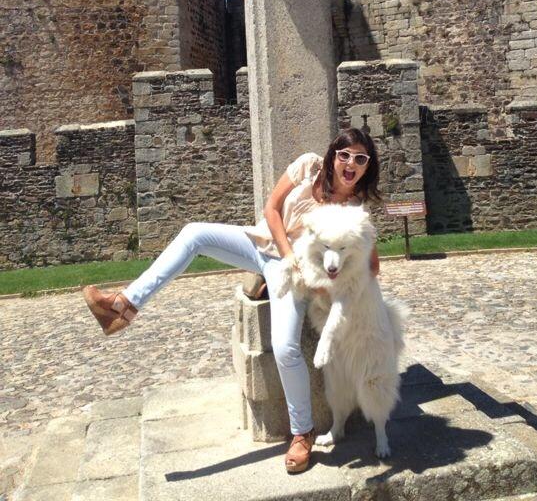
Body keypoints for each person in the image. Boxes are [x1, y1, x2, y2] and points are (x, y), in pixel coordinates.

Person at [83, 127, 381, 474]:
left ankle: (302, 433)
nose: (350, 164)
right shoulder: (308, 166)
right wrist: (288, 255)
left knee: (285, 348)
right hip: (264, 245)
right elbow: (272, 208)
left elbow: (370, 266)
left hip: (294, 276)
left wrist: (327, 280)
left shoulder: (354, 210)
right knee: (194, 233)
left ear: (367, 167)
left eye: (360, 159)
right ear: (333, 156)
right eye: (345, 155)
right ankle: (124, 305)